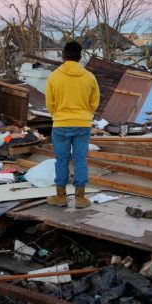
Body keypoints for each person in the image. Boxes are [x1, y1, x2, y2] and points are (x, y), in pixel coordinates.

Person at [45, 41, 100, 208]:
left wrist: (59, 116)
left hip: (61, 124)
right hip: (83, 124)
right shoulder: (89, 77)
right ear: (80, 56)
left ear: (63, 55)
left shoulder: (54, 76)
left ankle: (61, 197)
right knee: (80, 159)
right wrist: (85, 115)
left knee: (61, 160)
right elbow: (94, 102)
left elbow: (50, 103)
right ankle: (80, 198)